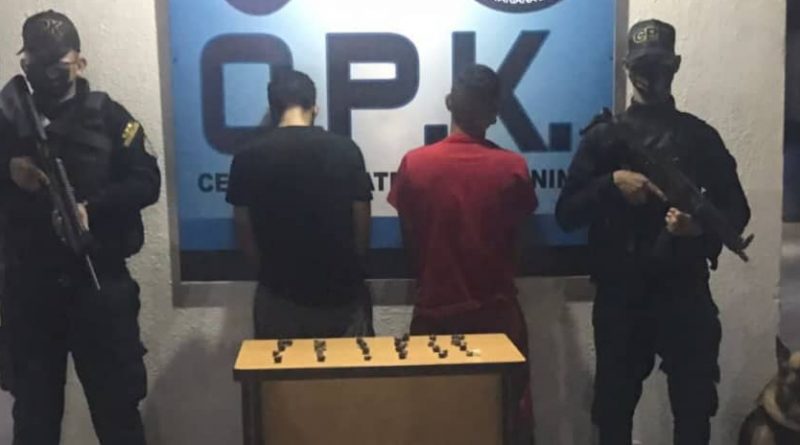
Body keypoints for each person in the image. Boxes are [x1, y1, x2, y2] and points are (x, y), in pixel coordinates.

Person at [555, 19, 751, 445]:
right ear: (627, 67)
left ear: (675, 65)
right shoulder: (604, 138)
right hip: (622, 293)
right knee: (614, 411)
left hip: (684, 290)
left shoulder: (700, 138)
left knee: (694, 409)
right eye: (643, 65)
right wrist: (612, 184)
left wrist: (697, 229)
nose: (651, 75)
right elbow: (566, 213)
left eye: (660, 65)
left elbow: (736, 211)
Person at [0, 10, 161, 445]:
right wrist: (7, 171)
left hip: (98, 283)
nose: (47, 75)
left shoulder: (109, 117)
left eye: (58, 66)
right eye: (36, 64)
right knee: (34, 419)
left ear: (80, 62)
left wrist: (93, 207)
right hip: (31, 291)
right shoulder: (7, 120)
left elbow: (147, 181)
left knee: (118, 416)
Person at [388, 64, 537, 444]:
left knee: (434, 427)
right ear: (494, 113)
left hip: (435, 317)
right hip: (498, 320)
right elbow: (519, 244)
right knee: (505, 427)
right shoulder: (513, 169)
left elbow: (410, 243)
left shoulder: (415, 165)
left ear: (449, 103)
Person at [226, 69, 374, 339]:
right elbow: (361, 222)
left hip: (279, 297)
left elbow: (244, 231)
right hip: (341, 295)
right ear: (315, 107)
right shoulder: (346, 151)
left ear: (273, 109)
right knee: (348, 367)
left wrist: (268, 274)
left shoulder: (247, 157)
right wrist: (351, 268)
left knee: (280, 367)